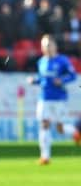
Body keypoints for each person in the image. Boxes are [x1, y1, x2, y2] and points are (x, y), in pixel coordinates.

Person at [26, 35, 78, 164]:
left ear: (55, 46)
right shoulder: (41, 62)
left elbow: (73, 75)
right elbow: (42, 79)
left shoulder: (63, 60)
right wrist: (34, 81)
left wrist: (62, 80)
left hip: (59, 99)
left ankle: (77, 132)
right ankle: (45, 157)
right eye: (43, 45)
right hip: (44, 98)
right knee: (44, 124)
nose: (46, 48)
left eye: (48, 45)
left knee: (60, 129)